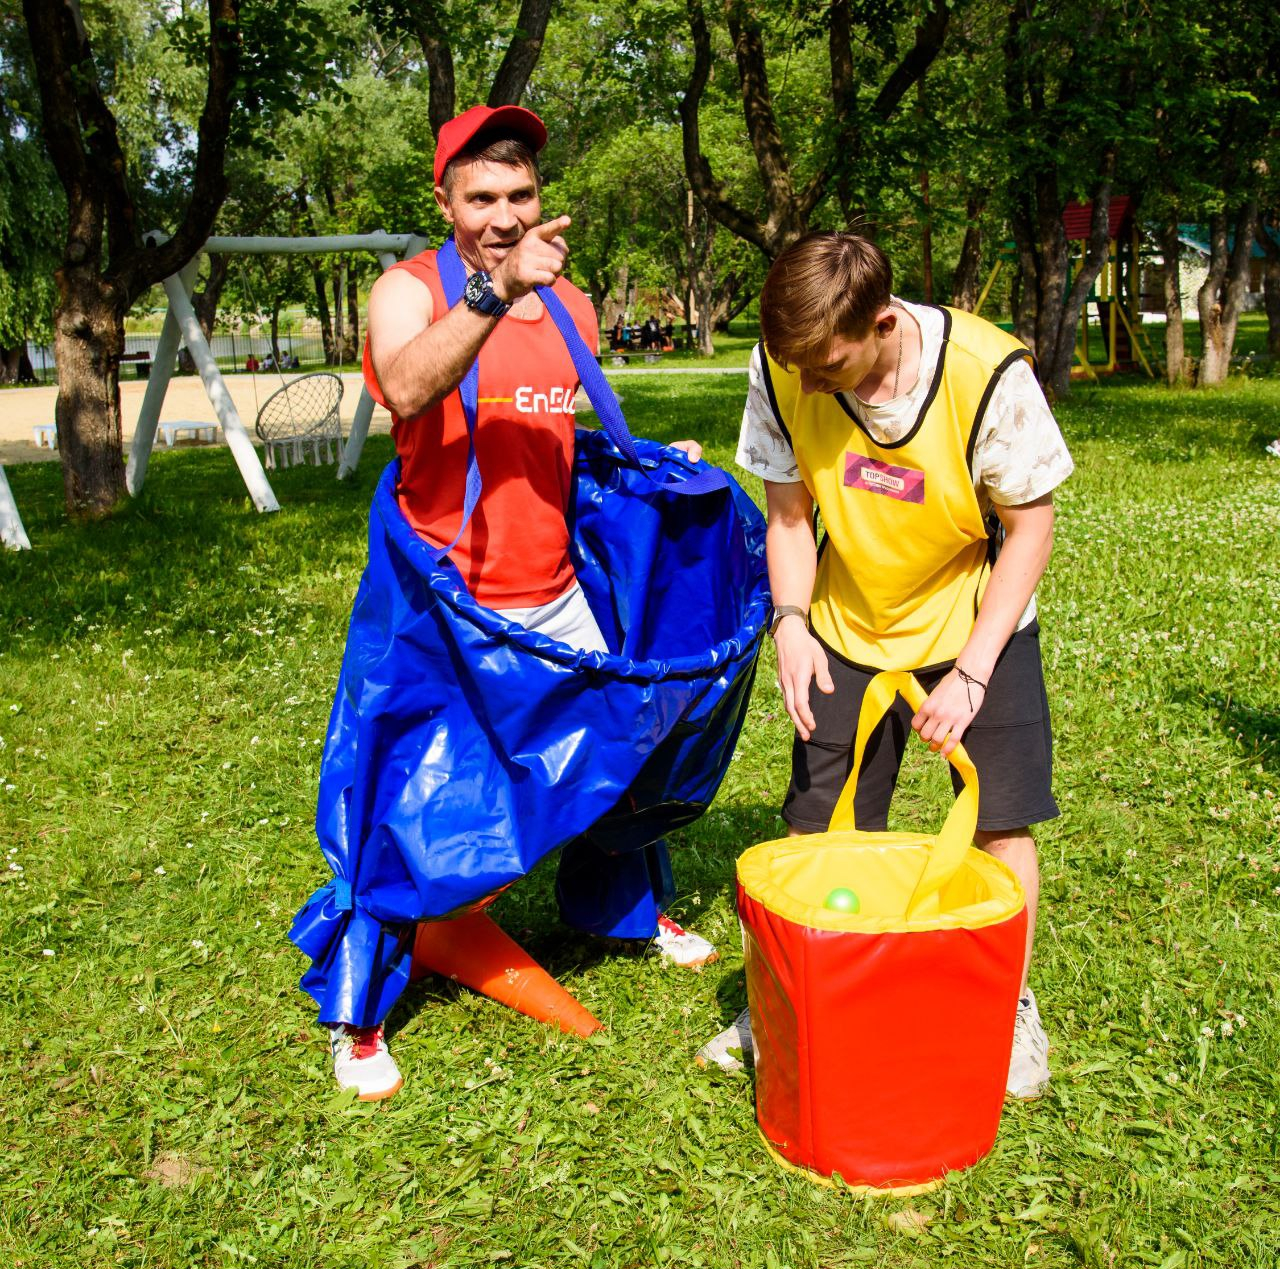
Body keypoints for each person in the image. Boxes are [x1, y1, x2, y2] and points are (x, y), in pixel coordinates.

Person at [331, 104, 716, 1100]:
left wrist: (646, 460)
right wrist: (493, 293)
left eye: (520, 195)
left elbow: (551, 431)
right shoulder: (409, 291)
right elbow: (406, 388)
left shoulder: (571, 301)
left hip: (551, 592)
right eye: (481, 198)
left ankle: (619, 912)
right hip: (443, 606)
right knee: (406, 797)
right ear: (445, 202)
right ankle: (362, 1012)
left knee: (620, 753)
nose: (503, 216)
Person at [699, 232, 1073, 1099]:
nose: (811, 386)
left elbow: (1032, 528)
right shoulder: (786, 367)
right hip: (846, 621)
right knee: (817, 830)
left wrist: (973, 670)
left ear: (883, 322)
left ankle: (1008, 1007)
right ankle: (785, 1000)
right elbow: (788, 516)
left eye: (829, 365)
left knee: (1000, 825)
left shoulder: (987, 372)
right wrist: (791, 624)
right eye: (798, 368)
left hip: (977, 621)